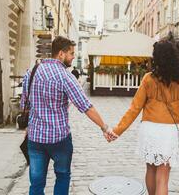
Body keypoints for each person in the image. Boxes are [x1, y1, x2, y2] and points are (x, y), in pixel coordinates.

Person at [20, 36, 116, 195]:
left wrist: (30, 125)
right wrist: (104, 127)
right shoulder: (65, 76)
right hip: (59, 139)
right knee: (63, 176)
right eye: (71, 53)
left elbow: (25, 104)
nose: (73, 57)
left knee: (36, 184)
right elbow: (85, 106)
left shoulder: (31, 72)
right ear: (61, 54)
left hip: (35, 139)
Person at [110, 37, 179, 195]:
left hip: (150, 129)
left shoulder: (148, 78)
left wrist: (117, 130)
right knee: (163, 176)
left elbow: (134, 108)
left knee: (151, 170)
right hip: (169, 131)